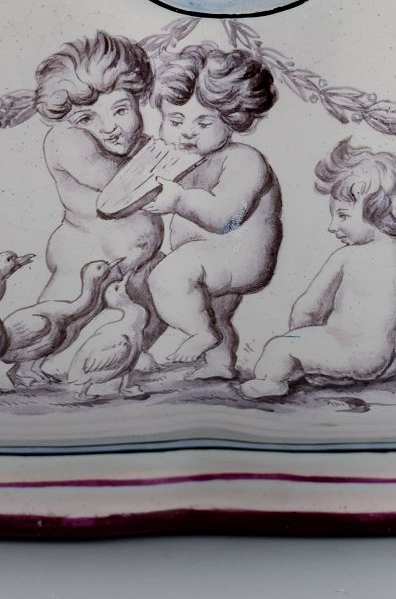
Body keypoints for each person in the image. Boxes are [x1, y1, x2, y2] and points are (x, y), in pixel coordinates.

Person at [240, 138, 396, 399]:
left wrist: (301, 338)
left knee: (279, 347)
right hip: (392, 365)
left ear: (378, 214)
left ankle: (271, 382)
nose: (333, 226)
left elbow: (308, 308)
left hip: (353, 354)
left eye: (342, 215)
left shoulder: (348, 256)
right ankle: (336, 374)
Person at [17, 32, 163, 385]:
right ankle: (27, 365)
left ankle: (129, 358)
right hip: (85, 254)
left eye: (121, 110)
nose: (109, 127)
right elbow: (117, 183)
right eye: (88, 119)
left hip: (136, 259)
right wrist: (165, 162)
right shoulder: (66, 141)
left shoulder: (140, 145)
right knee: (66, 315)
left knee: (154, 307)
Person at [143, 43, 282, 380]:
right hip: (209, 258)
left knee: (165, 278)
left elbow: (226, 217)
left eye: (203, 123)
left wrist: (179, 200)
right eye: (176, 120)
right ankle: (219, 365)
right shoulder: (182, 158)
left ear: (232, 121)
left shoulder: (244, 159)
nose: (187, 131)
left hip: (239, 256)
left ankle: (200, 334)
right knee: (215, 312)